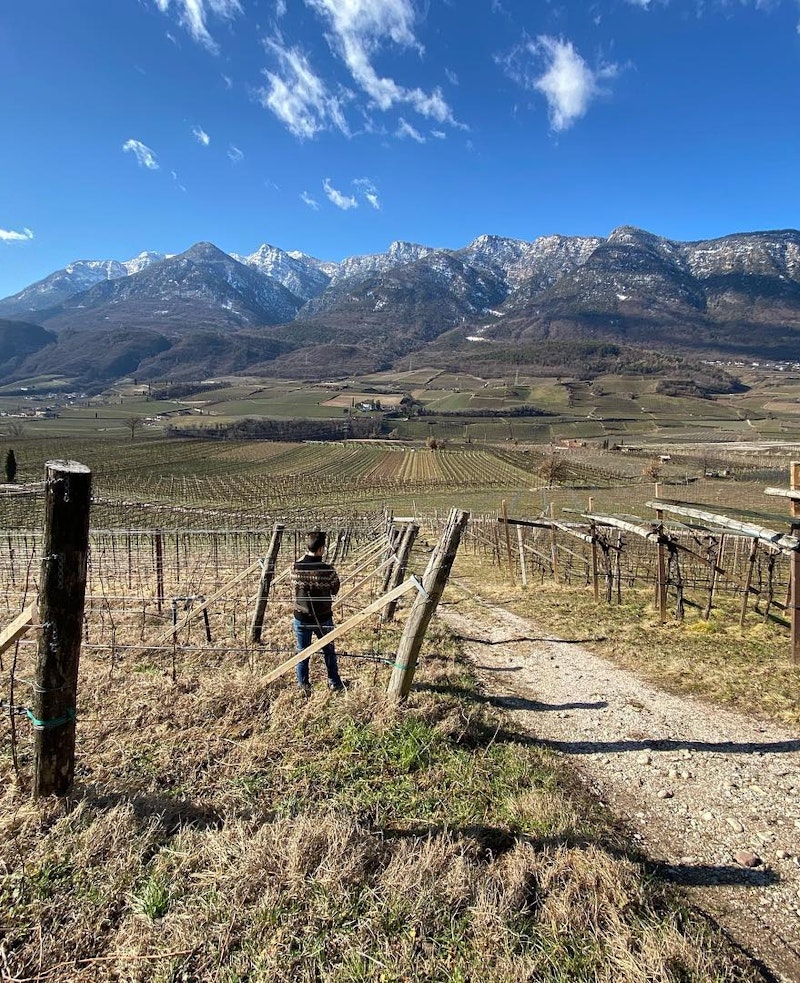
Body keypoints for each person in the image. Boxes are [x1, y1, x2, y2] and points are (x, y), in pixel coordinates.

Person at [291, 529, 344, 694]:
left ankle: (304, 686)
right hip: (323, 618)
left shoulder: (295, 568)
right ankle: (334, 682)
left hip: (301, 617)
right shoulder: (327, 570)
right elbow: (335, 589)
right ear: (321, 549)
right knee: (328, 651)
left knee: (302, 652)